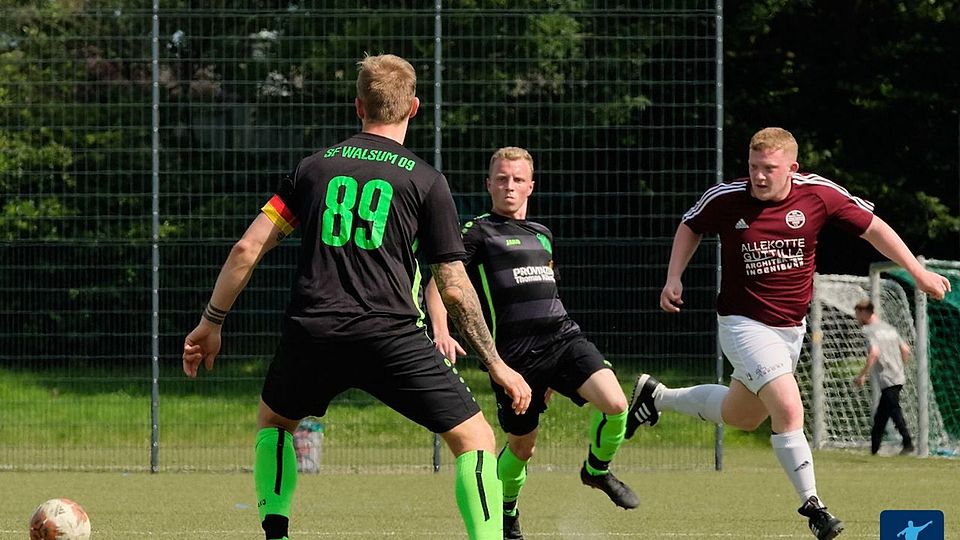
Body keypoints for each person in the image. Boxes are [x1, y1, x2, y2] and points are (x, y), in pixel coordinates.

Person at [181, 54, 532, 540]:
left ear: (358, 106)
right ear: (413, 107)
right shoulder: (426, 181)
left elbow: (246, 248)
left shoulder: (313, 169)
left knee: (275, 421)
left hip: (313, 331)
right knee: (474, 439)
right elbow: (453, 283)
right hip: (389, 334)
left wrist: (212, 321)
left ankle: (276, 534)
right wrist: (495, 363)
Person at [624, 127, 951, 540]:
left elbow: (872, 227)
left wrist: (918, 272)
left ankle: (657, 396)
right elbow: (691, 225)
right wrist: (674, 277)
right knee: (789, 407)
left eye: (769, 169)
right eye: (753, 167)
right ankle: (814, 505)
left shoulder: (817, 194)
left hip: (789, 331)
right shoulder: (726, 198)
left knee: (742, 416)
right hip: (742, 324)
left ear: (792, 169)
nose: (758, 177)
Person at [424, 147, 638, 540]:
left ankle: (596, 469)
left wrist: (559, 373)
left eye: (517, 179)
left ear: (530, 186)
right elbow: (440, 282)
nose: (509, 186)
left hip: (563, 338)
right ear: (489, 184)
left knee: (616, 403)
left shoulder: (543, 235)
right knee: (522, 450)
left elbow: (547, 290)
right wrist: (441, 328)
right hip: (515, 359)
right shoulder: (476, 233)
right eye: (502, 179)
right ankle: (508, 511)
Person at [852, 299, 914, 455]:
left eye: (857, 314)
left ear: (864, 312)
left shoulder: (869, 330)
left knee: (894, 411)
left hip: (887, 377)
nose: (857, 318)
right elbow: (906, 350)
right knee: (883, 414)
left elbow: (874, 353)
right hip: (898, 376)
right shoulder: (890, 328)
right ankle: (874, 449)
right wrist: (900, 367)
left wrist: (862, 375)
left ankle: (908, 442)